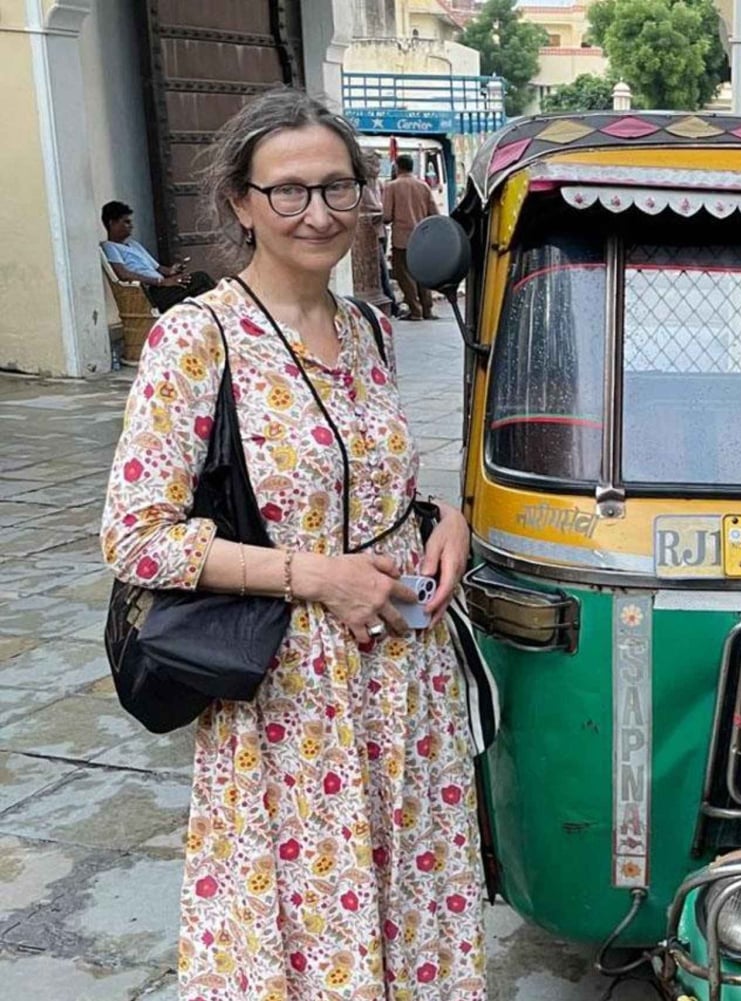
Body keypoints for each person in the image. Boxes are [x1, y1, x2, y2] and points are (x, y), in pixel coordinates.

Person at [100, 88, 485, 1000]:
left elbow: (378, 486)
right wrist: (318, 577)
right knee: (312, 929)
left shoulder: (370, 329)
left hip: (405, 681)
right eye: (288, 191)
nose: (317, 212)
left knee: (413, 911)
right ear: (240, 202)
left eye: (336, 187)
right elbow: (134, 538)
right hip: (292, 696)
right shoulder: (195, 338)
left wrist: (446, 526)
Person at [101, 201, 214, 311]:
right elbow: (123, 275)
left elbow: (158, 268)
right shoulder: (110, 246)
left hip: (162, 287)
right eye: (126, 222)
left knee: (200, 287)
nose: (131, 226)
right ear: (112, 223)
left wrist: (172, 271)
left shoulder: (134, 245)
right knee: (201, 278)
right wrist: (161, 282)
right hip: (150, 294)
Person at [382, 153, 437, 320]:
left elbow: (386, 216)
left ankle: (415, 310)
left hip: (402, 239)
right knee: (423, 273)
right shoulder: (423, 186)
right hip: (422, 238)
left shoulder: (392, 187)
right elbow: (434, 213)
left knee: (404, 274)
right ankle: (428, 309)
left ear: (397, 167)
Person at [359, 151, 397, 306]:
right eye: (374, 165)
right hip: (370, 231)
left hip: (380, 231)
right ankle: (392, 302)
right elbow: (370, 206)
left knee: (381, 269)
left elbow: (381, 206)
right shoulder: (362, 185)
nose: (378, 169)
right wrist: (382, 210)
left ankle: (390, 299)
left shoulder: (379, 184)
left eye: (378, 165)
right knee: (379, 270)